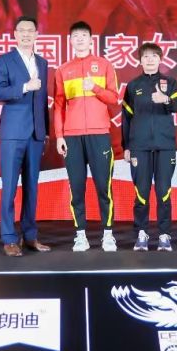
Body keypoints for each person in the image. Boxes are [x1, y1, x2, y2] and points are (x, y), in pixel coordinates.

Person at [53, 20, 120, 252]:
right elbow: (59, 105)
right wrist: (60, 135)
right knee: (77, 187)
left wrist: (95, 88)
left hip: (99, 135)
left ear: (91, 40)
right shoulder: (63, 70)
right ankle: (80, 235)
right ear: (70, 41)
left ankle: (108, 234)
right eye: (76, 36)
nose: (80, 39)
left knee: (104, 187)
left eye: (84, 36)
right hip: (72, 137)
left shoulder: (104, 65)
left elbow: (114, 99)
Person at [0, 16, 51, 257]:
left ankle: (30, 235)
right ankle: (9, 238)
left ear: (37, 34)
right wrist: (25, 87)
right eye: (22, 31)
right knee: (9, 187)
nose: (26, 34)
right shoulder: (4, 60)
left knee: (32, 188)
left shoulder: (42, 62)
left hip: (36, 134)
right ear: (15, 34)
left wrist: (45, 132)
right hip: (13, 132)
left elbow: (43, 99)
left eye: (30, 31)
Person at [121, 42, 177, 251]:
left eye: (154, 56)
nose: (150, 60)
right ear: (140, 60)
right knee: (141, 193)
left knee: (164, 192)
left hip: (165, 146)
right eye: (146, 56)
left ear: (160, 59)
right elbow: (126, 118)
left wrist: (164, 99)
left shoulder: (170, 82)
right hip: (139, 147)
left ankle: (164, 235)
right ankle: (141, 233)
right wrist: (127, 146)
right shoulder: (133, 86)